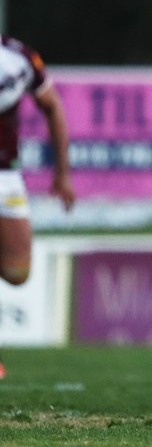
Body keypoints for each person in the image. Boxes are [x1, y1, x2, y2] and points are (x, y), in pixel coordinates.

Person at [0, 35, 75, 379]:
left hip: (6, 175)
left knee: (17, 272)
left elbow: (53, 108)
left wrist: (62, 174)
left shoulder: (18, 57)